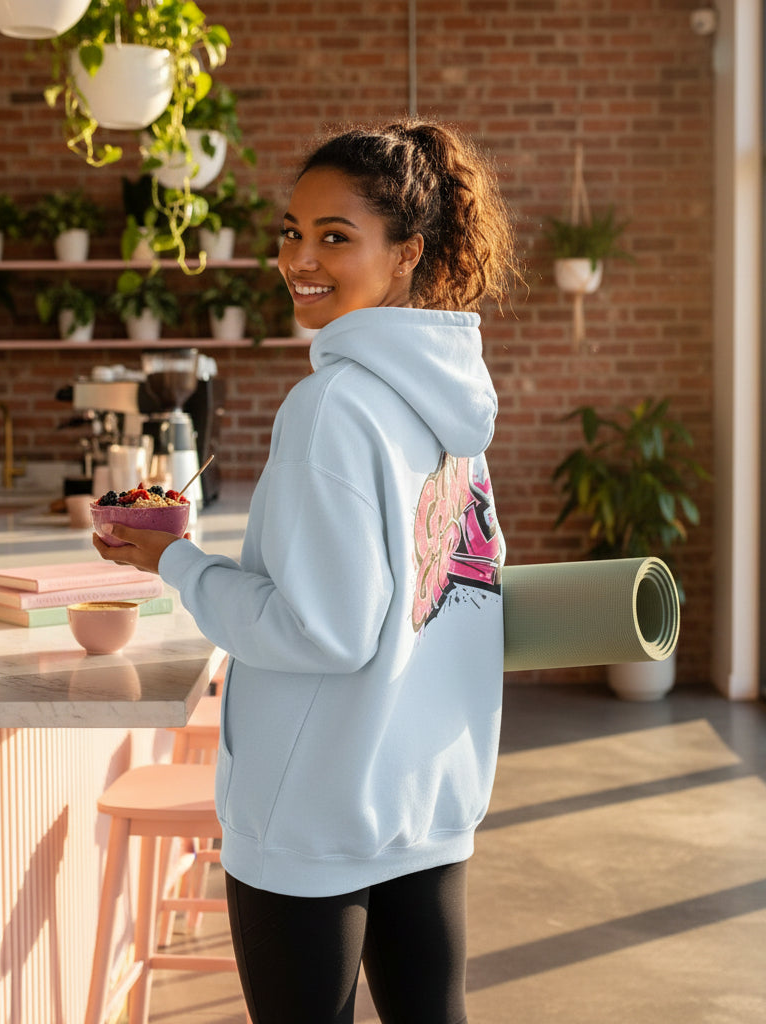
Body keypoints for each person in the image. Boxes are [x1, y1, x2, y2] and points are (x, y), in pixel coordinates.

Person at [94, 118, 519, 1024]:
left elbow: (317, 630)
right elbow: (459, 586)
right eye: (292, 230)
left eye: (336, 236)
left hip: (318, 807)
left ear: (407, 254)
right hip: (425, 791)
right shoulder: (451, 411)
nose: (301, 257)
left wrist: (177, 562)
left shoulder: (332, 406)